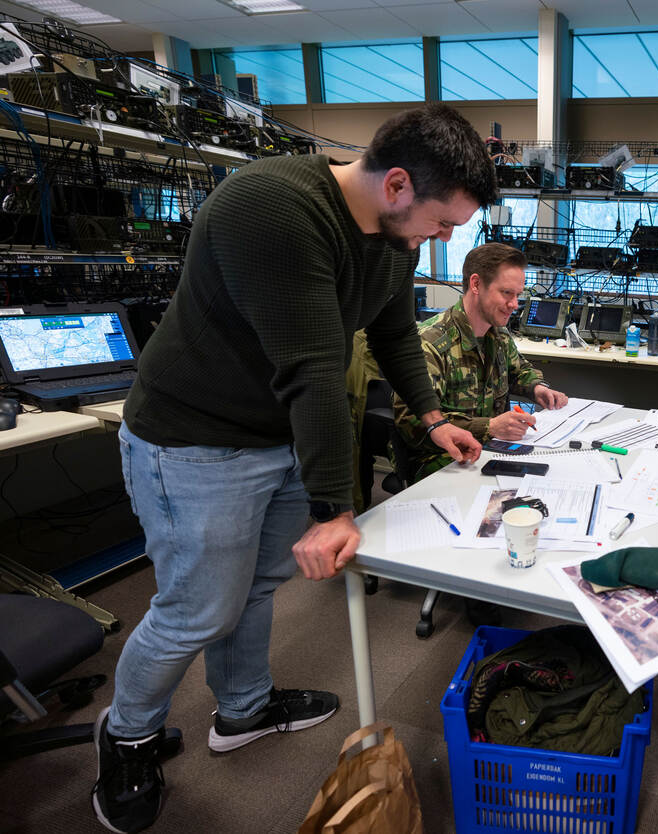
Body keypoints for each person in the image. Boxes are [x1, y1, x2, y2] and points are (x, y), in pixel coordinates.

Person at [93, 104, 498, 833]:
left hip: (276, 436)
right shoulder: (274, 206)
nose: (445, 239)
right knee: (196, 609)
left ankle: (243, 709)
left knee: (256, 586)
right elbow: (313, 370)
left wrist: (435, 418)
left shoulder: (393, 236)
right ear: (397, 184)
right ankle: (127, 736)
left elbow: (394, 333)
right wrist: (333, 509)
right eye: (443, 222)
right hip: (193, 440)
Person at [392, 242, 569, 480]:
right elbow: (414, 420)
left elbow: (518, 371)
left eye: (518, 295)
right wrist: (490, 427)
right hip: (442, 461)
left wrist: (538, 388)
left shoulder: (497, 334)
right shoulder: (430, 343)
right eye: (506, 293)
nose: (515, 305)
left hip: (491, 451)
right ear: (476, 284)